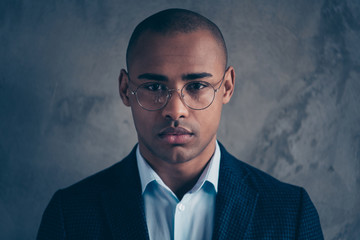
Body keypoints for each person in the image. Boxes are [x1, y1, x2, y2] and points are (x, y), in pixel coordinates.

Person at [37, 8, 324, 240]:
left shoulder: (290, 213)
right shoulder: (69, 215)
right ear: (126, 89)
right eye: (153, 86)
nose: (176, 110)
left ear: (226, 87)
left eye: (197, 85)